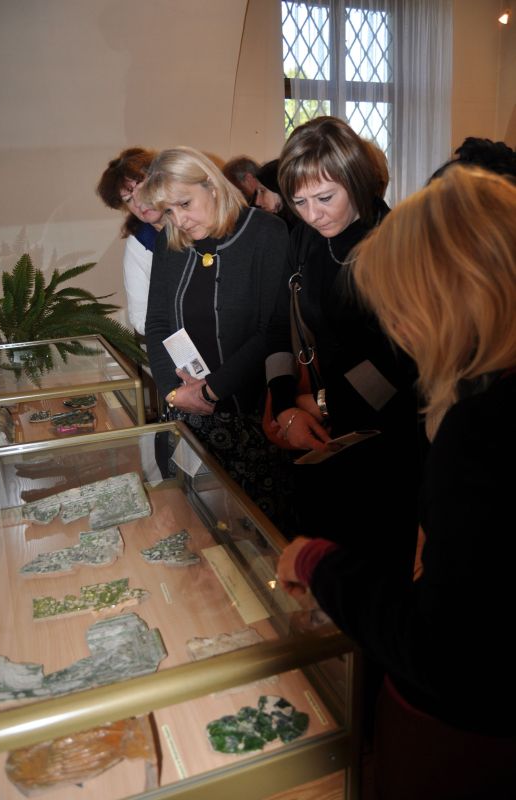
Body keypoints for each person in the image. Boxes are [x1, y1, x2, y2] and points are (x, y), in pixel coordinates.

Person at [277, 166, 516, 800]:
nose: (399, 328)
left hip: (471, 745)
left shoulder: (482, 429)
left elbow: (447, 655)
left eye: (402, 306)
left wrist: (320, 563)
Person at [265, 116, 424, 572]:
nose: (313, 214)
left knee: (375, 571)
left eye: (325, 198)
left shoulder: (396, 244)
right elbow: (278, 323)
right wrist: (284, 405)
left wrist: (321, 403)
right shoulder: (304, 237)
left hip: (385, 441)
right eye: (299, 202)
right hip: (319, 431)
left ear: (355, 180)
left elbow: (403, 365)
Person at [137, 146, 294, 528]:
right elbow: (157, 322)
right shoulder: (171, 240)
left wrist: (210, 392)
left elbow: (272, 330)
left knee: (255, 540)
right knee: (193, 534)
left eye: (184, 204)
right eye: (169, 211)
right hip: (186, 417)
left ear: (211, 184)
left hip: (250, 421)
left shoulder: (266, 233)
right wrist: (173, 392)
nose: (179, 219)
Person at [96, 147, 164, 335]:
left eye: (141, 188)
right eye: (128, 199)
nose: (138, 203)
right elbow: (140, 317)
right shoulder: (140, 243)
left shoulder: (195, 222)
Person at [255, 159, 298, 231]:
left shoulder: (302, 230)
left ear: (279, 189)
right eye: (257, 193)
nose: (257, 202)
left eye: (262, 191)